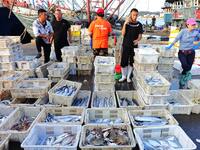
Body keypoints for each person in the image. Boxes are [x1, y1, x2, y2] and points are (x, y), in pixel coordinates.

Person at [166, 18, 200, 88]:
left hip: (191, 53)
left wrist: (198, 43)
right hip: (182, 53)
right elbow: (176, 39)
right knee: (185, 65)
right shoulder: (183, 31)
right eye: (192, 24)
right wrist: (170, 45)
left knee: (188, 68)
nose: (194, 26)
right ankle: (184, 75)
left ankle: (183, 80)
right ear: (188, 25)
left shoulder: (196, 32)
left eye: (194, 24)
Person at [119, 8, 143, 83]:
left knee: (132, 61)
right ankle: (123, 76)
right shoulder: (127, 23)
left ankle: (128, 77)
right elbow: (123, 34)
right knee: (124, 60)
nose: (135, 17)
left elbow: (140, 35)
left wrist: (137, 40)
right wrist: (125, 24)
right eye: (133, 15)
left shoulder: (139, 24)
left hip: (134, 46)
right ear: (130, 15)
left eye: (136, 15)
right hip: (126, 45)